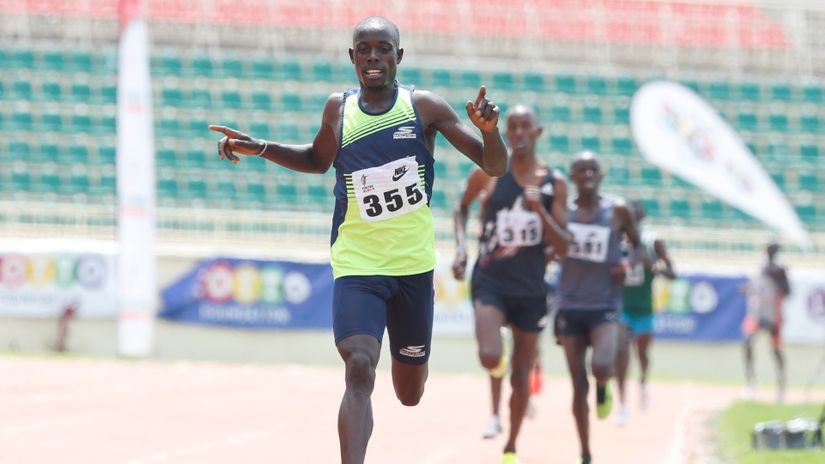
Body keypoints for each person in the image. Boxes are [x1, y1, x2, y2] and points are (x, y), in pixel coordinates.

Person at [209, 16, 508, 464]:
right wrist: (262, 147)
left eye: (383, 48)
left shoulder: (423, 107)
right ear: (352, 58)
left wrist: (489, 132)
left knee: (409, 393)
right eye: (364, 49)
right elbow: (316, 159)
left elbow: (494, 166)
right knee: (359, 367)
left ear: (398, 56)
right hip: (357, 264)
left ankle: (409, 374)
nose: (373, 57)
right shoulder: (338, 109)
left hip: (411, 266)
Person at [452, 105, 570, 464]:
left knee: (522, 376)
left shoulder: (555, 183)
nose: (517, 133)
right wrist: (461, 248)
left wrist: (541, 211)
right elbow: (461, 209)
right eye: (512, 127)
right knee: (490, 355)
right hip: (490, 279)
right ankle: (495, 375)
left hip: (531, 287)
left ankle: (512, 444)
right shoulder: (489, 173)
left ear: (538, 132)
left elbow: (564, 246)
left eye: (525, 127)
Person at [555, 151, 641, 464]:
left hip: (604, 305)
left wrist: (627, 263)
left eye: (593, 169)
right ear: (573, 176)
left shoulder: (617, 209)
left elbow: (638, 246)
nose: (587, 174)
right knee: (578, 386)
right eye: (581, 170)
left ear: (601, 175)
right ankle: (586, 452)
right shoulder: (563, 211)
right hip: (570, 306)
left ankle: (603, 386)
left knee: (601, 367)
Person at [613, 200, 675, 426]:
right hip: (622, 308)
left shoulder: (653, 242)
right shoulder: (615, 240)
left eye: (637, 216)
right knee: (620, 351)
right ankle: (622, 403)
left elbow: (672, 273)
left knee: (642, 354)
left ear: (642, 218)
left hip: (644, 308)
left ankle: (643, 384)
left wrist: (650, 265)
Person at [740, 240, 791, 403]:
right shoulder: (760, 266)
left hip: (773, 314)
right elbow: (758, 286)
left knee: (775, 350)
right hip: (757, 313)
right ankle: (751, 382)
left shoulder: (779, 269)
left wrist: (777, 278)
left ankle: (781, 384)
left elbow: (788, 290)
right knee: (747, 342)